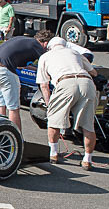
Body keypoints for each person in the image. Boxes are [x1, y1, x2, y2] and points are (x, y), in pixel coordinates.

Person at [36, 37, 100, 170]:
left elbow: (44, 85)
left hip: (65, 82)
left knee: (54, 120)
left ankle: (53, 154)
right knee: (88, 125)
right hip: (86, 82)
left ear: (50, 47)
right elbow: (94, 72)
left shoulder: (45, 56)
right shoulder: (75, 53)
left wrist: (49, 104)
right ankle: (87, 160)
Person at [0, 30, 52, 131]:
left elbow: (20, 64)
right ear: (45, 43)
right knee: (13, 108)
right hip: (3, 69)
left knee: (0, 104)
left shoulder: (23, 40)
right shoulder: (37, 45)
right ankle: (17, 137)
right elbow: (47, 63)